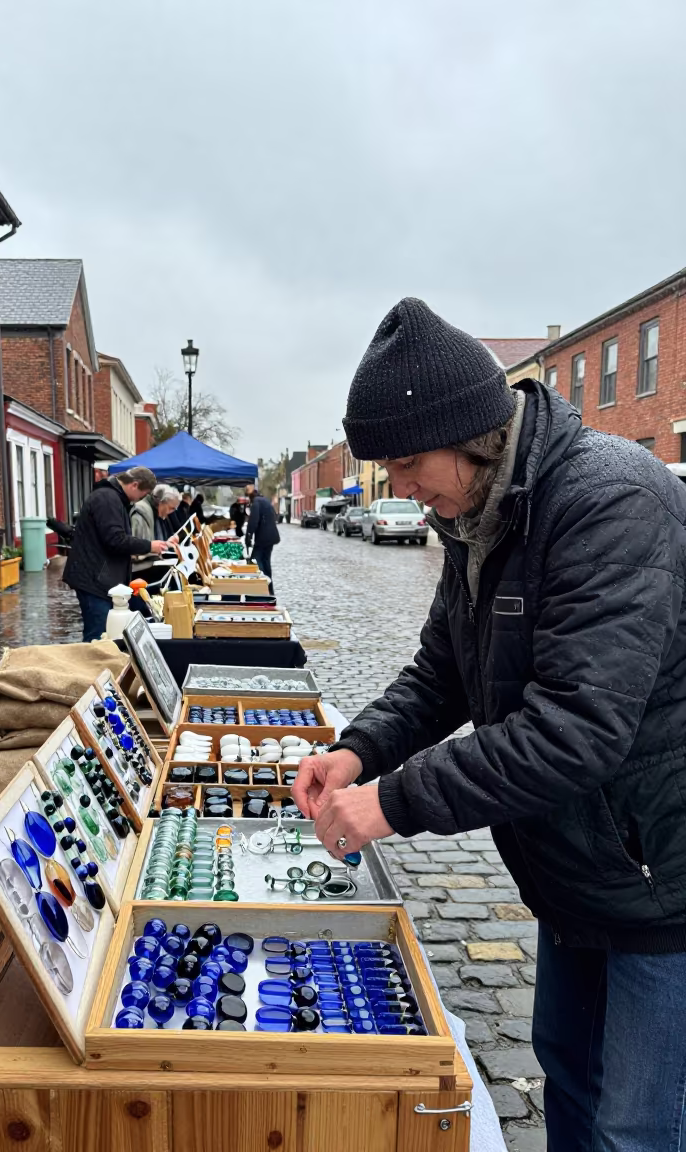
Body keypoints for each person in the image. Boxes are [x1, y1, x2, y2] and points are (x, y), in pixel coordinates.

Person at [291, 298, 686, 1152]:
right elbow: (442, 675)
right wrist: (357, 750)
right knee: (568, 1074)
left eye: (405, 462)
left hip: (663, 870)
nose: (397, 487)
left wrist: (393, 803)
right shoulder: (474, 516)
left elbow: (575, 728)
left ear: (470, 432)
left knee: (638, 1127)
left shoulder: (612, 500)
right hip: (577, 864)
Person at [62, 466, 170, 641]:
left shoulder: (111, 497)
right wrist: (149, 546)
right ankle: (95, 667)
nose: (141, 499)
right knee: (98, 634)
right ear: (134, 485)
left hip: (98, 576)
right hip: (94, 578)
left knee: (103, 631)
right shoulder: (107, 499)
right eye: (143, 494)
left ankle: (100, 665)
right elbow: (115, 539)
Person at [130, 484, 180, 578]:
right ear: (161, 502)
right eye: (171, 508)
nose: (172, 512)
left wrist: (165, 544)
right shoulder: (142, 511)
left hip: (145, 566)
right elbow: (136, 548)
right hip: (138, 571)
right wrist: (157, 547)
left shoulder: (154, 512)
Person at [245, 487, 280, 594]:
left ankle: (261, 589)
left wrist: (249, 535)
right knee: (265, 561)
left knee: (255, 561)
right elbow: (275, 516)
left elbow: (253, 521)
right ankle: (269, 589)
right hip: (271, 537)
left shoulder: (256, 503)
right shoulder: (265, 501)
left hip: (263, 538)